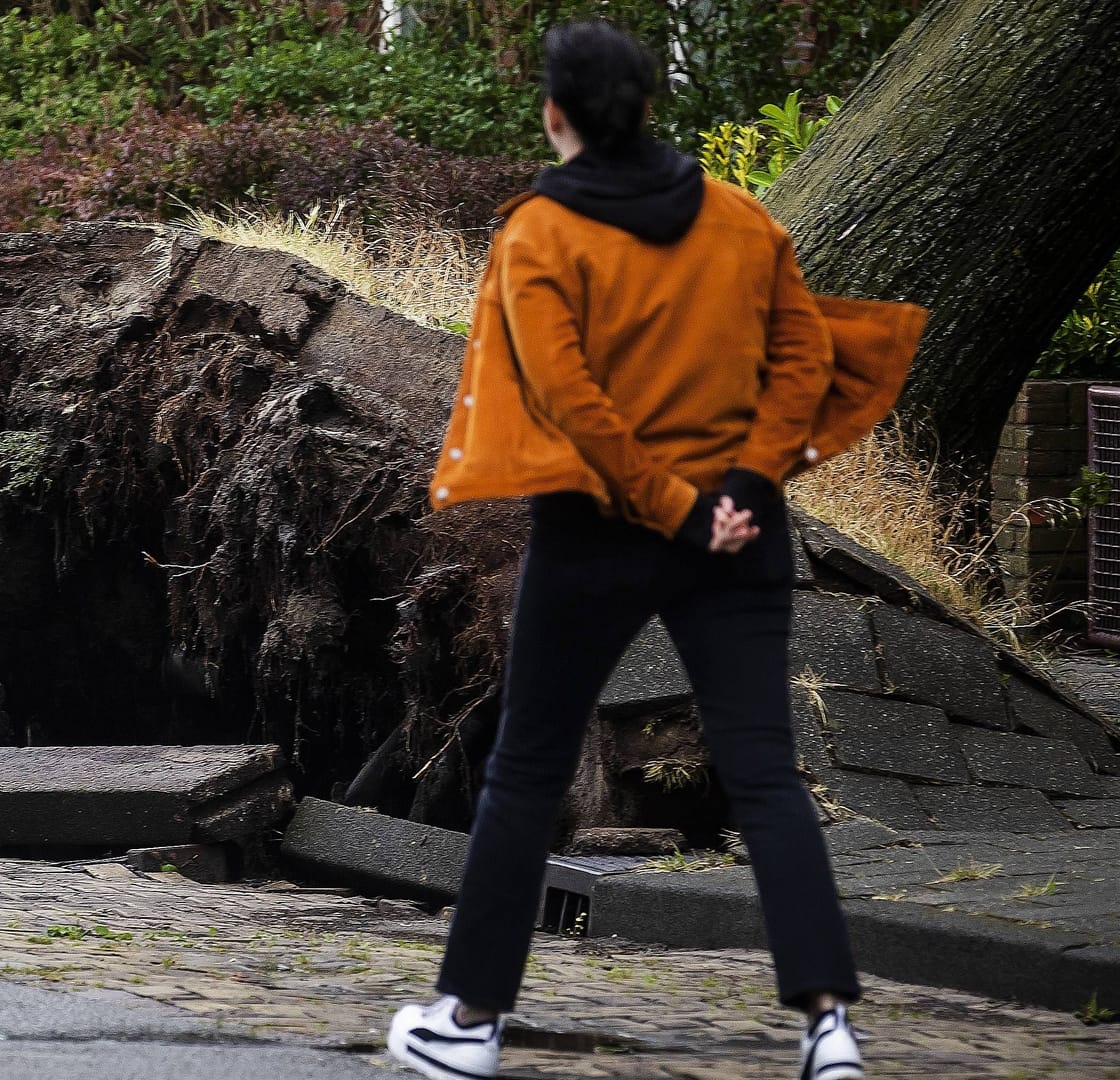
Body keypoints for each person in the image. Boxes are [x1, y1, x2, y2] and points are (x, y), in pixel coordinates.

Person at [387, 20, 923, 1080]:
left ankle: (468, 1025)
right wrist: (742, 489)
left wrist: (678, 507)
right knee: (767, 774)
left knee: (527, 774)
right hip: (740, 531)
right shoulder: (738, 219)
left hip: (596, 534)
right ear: (647, 110)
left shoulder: (540, 235)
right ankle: (832, 1034)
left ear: (555, 114)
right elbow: (804, 357)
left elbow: (570, 401)